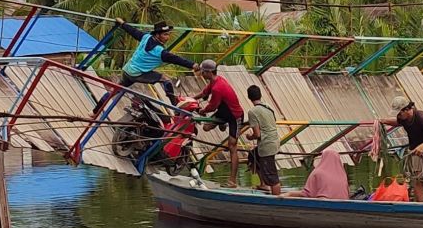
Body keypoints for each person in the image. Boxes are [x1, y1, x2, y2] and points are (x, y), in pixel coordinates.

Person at [92, 18, 199, 114]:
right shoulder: (160, 51)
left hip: (128, 70)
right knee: (165, 79)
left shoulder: (146, 37)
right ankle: (175, 104)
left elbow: (133, 32)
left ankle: (94, 112)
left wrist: (123, 24)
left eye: (168, 34)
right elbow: (177, 60)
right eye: (165, 35)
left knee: (113, 91)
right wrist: (193, 65)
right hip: (138, 74)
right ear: (157, 35)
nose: (168, 37)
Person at [191, 59, 244, 188]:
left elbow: (212, 106)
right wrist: (190, 99)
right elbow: (204, 93)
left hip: (234, 116)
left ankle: (232, 181)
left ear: (209, 72)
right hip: (223, 112)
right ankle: (222, 124)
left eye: (203, 72)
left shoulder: (217, 88)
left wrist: (203, 110)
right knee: (206, 127)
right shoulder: (214, 81)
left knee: (232, 147)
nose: (202, 74)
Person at [379, 96, 423, 202]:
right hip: (415, 149)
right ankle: (420, 204)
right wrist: (383, 121)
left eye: (400, 113)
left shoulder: (421, 117)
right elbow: (396, 121)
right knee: (417, 177)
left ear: (407, 109)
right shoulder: (402, 118)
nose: (398, 116)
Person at [245, 85, 281, 195]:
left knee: (272, 176)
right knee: (252, 156)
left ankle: (277, 200)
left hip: (267, 145)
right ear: (260, 95)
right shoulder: (268, 108)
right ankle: (263, 185)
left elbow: (257, 134)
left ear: (249, 97)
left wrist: (249, 137)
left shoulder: (252, 112)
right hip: (274, 141)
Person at [281, 149, 349, 199]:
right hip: (344, 206)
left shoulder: (317, 173)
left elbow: (306, 193)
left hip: (322, 205)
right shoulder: (343, 175)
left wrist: (289, 193)